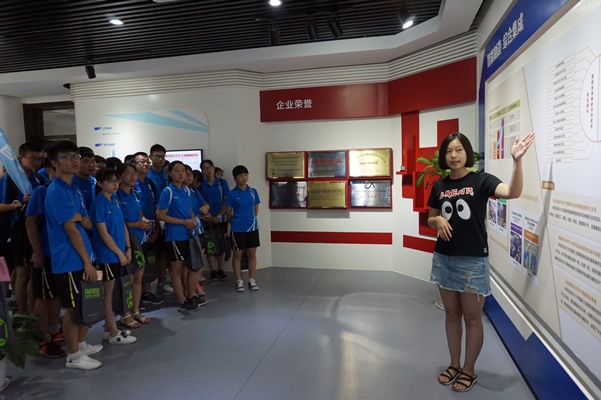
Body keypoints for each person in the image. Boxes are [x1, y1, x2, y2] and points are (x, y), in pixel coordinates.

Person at [427, 131, 535, 392]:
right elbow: (430, 218)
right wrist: (437, 219)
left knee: (472, 319)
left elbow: (512, 192)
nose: (454, 155)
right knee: (452, 315)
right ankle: (454, 365)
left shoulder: (481, 180)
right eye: (449, 151)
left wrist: (517, 161)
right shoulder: (439, 186)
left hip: (473, 260)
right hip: (444, 258)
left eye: (459, 150)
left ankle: (469, 370)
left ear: (467, 152)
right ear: (444, 156)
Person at [44, 140, 103, 370]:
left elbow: (86, 223)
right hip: (69, 260)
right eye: (68, 157)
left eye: (76, 155)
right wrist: (87, 262)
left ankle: (81, 344)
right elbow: (71, 229)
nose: (74, 160)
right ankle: (73, 356)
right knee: (72, 308)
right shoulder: (55, 191)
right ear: (55, 163)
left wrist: (79, 218)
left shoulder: (75, 189)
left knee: (85, 304)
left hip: (84, 255)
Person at [90, 167, 137, 344]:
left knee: (116, 291)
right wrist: (119, 253)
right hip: (108, 256)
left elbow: (123, 225)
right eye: (110, 181)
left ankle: (109, 329)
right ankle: (114, 333)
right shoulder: (98, 204)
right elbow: (103, 233)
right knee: (108, 294)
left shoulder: (115, 199)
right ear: (100, 183)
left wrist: (128, 248)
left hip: (121, 253)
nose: (115, 184)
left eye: (117, 180)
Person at [25, 162, 66, 358]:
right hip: (45, 252)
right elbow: (30, 222)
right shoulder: (41, 191)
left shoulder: (67, 191)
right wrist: (37, 252)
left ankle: (54, 329)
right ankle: (42, 339)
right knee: (43, 297)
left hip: (61, 254)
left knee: (55, 295)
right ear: (50, 169)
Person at [156, 161, 208, 311]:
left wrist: (193, 222)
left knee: (192, 267)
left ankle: (191, 295)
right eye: (177, 171)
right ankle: (181, 300)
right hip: (175, 236)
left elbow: (190, 210)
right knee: (176, 270)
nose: (181, 174)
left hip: (189, 235)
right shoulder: (168, 191)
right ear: (170, 173)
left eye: (183, 171)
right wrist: (183, 222)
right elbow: (161, 215)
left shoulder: (186, 190)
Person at [0, 142, 44, 314]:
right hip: (18, 230)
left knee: (34, 273)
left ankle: (32, 312)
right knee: (22, 273)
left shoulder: (38, 178)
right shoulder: (10, 179)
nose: (36, 162)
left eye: (39, 159)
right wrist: (17, 204)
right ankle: (22, 313)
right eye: (32, 158)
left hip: (37, 228)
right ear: (20, 158)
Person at [117, 162, 153, 323]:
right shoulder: (116, 196)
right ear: (120, 176)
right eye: (128, 173)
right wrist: (135, 225)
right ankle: (125, 314)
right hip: (126, 242)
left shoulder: (135, 194)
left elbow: (140, 213)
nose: (132, 177)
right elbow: (118, 223)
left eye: (134, 173)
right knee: (128, 280)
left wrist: (144, 221)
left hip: (140, 240)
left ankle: (136, 311)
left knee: (138, 277)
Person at [131, 151, 164, 305]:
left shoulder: (151, 183)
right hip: (136, 230)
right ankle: (133, 301)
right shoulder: (131, 184)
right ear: (133, 165)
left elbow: (154, 207)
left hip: (151, 229)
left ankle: (147, 292)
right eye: (141, 162)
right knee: (136, 265)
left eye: (146, 162)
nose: (145, 164)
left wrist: (156, 228)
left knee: (148, 262)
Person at [225, 165, 260, 292]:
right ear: (235, 178)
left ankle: (252, 279)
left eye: (245, 174)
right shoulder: (232, 194)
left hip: (252, 228)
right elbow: (228, 213)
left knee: (251, 254)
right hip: (237, 229)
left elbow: (256, 209)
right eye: (240, 175)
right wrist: (235, 222)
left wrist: (251, 220)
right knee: (237, 255)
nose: (243, 177)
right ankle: (239, 280)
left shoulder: (253, 191)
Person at [147, 144, 172, 294]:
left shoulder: (165, 174)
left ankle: (162, 281)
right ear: (151, 157)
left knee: (165, 253)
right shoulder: (148, 175)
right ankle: (150, 286)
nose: (160, 159)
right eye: (157, 156)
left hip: (166, 217)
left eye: (163, 156)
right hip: (153, 218)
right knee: (155, 254)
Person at [200, 159, 230, 282]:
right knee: (210, 245)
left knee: (222, 243)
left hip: (221, 218)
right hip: (207, 219)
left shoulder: (222, 183)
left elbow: (227, 200)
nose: (208, 170)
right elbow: (200, 201)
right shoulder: (201, 184)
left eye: (209, 167)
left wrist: (218, 215)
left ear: (213, 168)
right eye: (205, 168)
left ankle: (221, 269)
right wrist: (208, 215)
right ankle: (213, 270)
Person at [72, 146, 96, 212]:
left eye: (93, 161)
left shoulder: (95, 181)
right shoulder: (72, 184)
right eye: (86, 162)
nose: (91, 165)